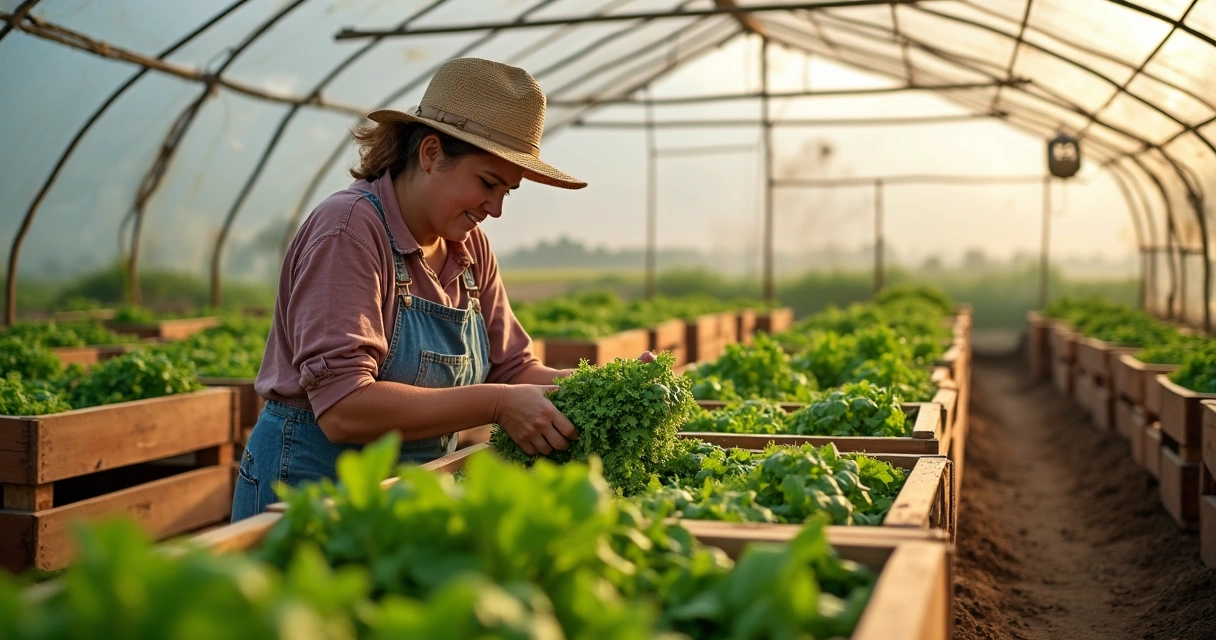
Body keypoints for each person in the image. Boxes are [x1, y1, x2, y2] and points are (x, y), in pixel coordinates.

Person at [232, 58, 631, 520]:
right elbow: (343, 407)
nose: (496, 209)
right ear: (430, 154)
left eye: (508, 191)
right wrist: (498, 404)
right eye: (488, 183)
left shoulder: (469, 247)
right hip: (310, 500)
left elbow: (513, 368)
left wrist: (606, 387)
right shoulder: (349, 231)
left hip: (409, 501)